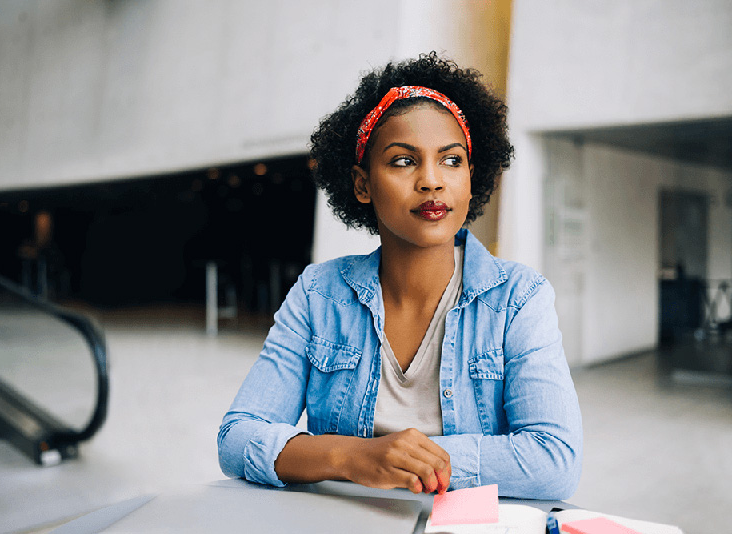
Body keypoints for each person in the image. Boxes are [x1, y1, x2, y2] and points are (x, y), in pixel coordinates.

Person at [217, 52, 582, 500]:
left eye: (451, 160)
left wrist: (416, 461)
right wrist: (355, 457)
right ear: (362, 185)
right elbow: (237, 437)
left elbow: (555, 461)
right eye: (403, 161)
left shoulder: (518, 299)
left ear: (473, 176)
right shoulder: (319, 295)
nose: (431, 181)